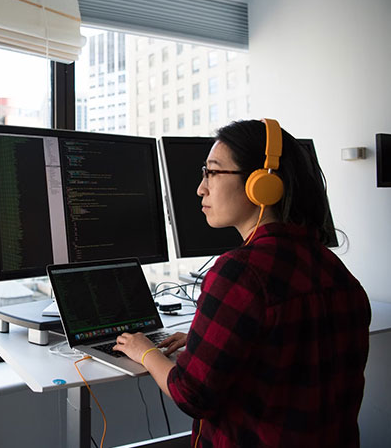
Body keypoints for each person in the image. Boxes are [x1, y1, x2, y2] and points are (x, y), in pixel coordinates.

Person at [113, 119, 371, 447]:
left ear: (261, 184)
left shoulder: (240, 272)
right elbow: (289, 347)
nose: (200, 188)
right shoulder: (336, 271)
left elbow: (191, 395)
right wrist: (204, 338)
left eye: (212, 172)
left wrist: (146, 351)